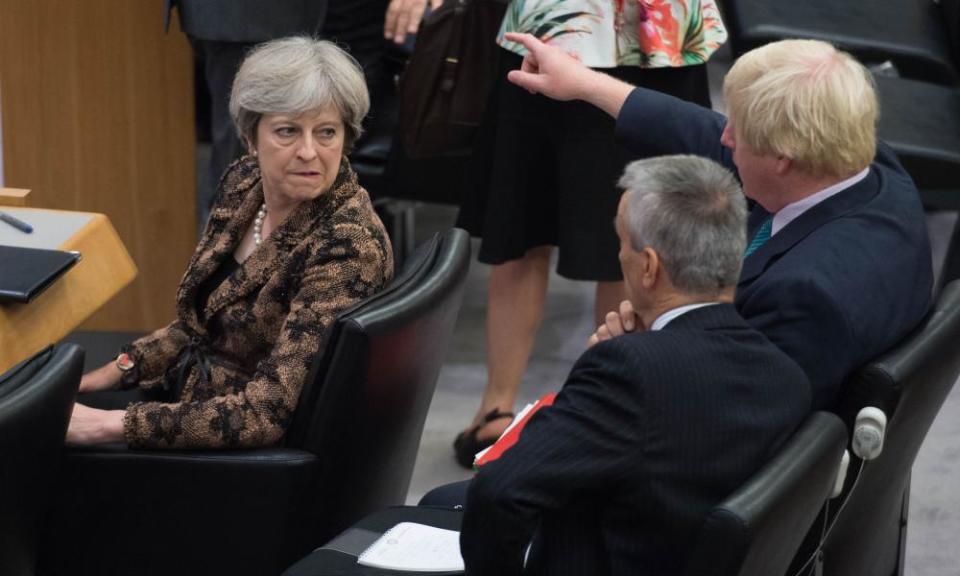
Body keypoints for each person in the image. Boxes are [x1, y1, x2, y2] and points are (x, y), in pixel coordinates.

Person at [504, 33, 933, 411]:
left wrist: (639, 356)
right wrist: (585, 84)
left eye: (737, 131)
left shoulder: (804, 297)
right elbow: (704, 133)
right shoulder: (870, 172)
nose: (723, 137)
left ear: (782, 159)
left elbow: (730, 427)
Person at [454, 155, 811, 575]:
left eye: (621, 242)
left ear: (648, 267)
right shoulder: (786, 376)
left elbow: (500, 493)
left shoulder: (627, 372)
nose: (618, 253)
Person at [66, 37, 394, 449]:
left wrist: (105, 424)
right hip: (187, 395)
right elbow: (201, 324)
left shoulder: (346, 247)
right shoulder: (244, 183)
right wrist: (118, 369)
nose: (309, 151)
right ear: (250, 137)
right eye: (288, 131)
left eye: (326, 132)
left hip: (239, 448)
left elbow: (265, 412)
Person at [454, 0, 730, 467]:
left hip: (658, 39)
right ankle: (496, 405)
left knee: (646, 237)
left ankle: (614, 407)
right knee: (521, 225)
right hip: (554, 26)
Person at [165, 0, 440, 221]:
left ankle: (343, 281)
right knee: (247, 183)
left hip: (362, 14)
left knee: (341, 170)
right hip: (252, 13)